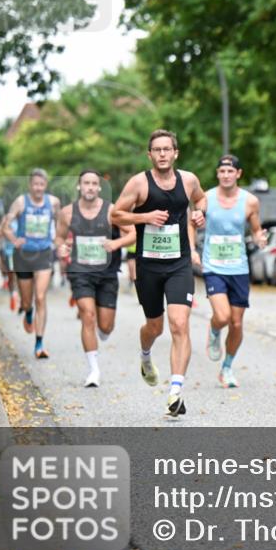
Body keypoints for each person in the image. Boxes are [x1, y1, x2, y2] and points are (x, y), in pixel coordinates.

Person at [112, 130, 206, 417]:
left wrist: (200, 213)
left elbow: (201, 200)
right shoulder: (139, 183)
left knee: (179, 323)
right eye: (157, 150)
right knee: (155, 327)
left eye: (167, 149)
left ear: (176, 153)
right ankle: (145, 355)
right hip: (149, 266)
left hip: (178, 263)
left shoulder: (188, 180)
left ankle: (175, 391)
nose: (162, 154)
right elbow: (116, 214)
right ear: (149, 154)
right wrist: (144, 217)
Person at [55, 170, 136, 387]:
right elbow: (59, 237)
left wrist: (116, 244)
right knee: (87, 315)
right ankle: (93, 370)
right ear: (79, 186)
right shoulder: (67, 213)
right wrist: (61, 247)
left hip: (107, 273)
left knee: (106, 326)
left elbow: (133, 233)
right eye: (86, 183)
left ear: (99, 187)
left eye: (94, 184)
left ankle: (104, 330)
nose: (90, 187)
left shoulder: (111, 211)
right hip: (80, 272)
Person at [200, 155, 267, 388]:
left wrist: (260, 238)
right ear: (217, 174)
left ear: (238, 174)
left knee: (237, 324)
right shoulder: (205, 198)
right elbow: (191, 223)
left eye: (230, 172)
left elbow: (256, 229)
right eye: (222, 171)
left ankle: (227, 368)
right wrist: (191, 251)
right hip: (213, 266)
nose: (226, 175)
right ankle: (214, 328)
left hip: (238, 267)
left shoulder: (250, 202)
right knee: (223, 316)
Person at [1, 170, 62, 359]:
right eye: (35, 184)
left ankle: (39, 343)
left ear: (45, 185)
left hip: (44, 253)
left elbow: (61, 224)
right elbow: (5, 225)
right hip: (24, 256)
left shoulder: (53, 203)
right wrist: (13, 238)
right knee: (27, 301)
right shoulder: (20, 202)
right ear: (30, 185)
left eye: (41, 184)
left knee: (41, 297)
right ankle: (28, 312)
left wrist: (58, 242)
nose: (38, 188)